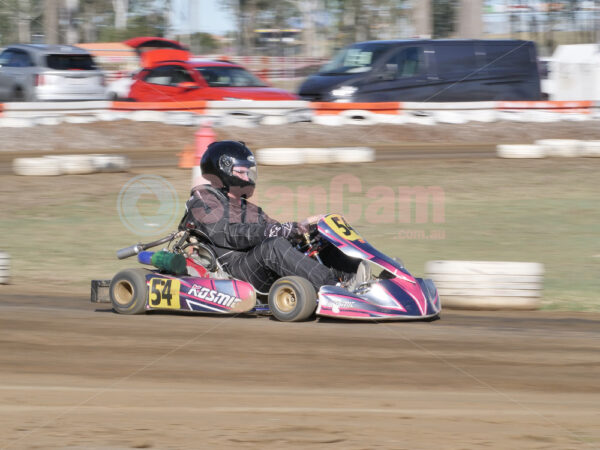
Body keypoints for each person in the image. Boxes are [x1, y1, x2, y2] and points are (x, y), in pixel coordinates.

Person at [179, 140, 368, 293]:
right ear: (223, 172)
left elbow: (277, 231)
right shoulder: (203, 200)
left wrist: (304, 229)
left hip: (255, 264)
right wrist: (279, 230)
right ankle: (333, 288)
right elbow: (229, 233)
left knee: (320, 237)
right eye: (242, 172)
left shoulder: (248, 208)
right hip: (233, 269)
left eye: (249, 172)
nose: (247, 178)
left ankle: (356, 276)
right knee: (273, 246)